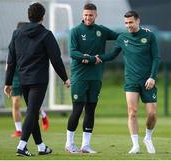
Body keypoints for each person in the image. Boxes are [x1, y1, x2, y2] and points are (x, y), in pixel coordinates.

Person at [4, 2, 70, 156]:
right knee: (32, 111)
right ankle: (22, 146)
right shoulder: (46, 34)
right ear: (43, 17)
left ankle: (41, 146)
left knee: (32, 111)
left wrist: (8, 82)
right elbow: (56, 59)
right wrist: (65, 78)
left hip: (22, 79)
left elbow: (11, 60)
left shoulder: (16, 33)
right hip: (39, 80)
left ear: (28, 16)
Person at [92, 11, 160, 154]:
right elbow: (112, 55)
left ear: (138, 21)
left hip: (148, 81)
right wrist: (98, 58)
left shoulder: (149, 36)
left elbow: (156, 58)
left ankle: (148, 137)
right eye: (126, 23)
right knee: (132, 112)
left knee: (152, 114)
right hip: (131, 81)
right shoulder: (122, 38)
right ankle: (135, 145)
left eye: (131, 22)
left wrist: (152, 77)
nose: (128, 25)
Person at [65, 3, 119, 153]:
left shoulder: (101, 30)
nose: (88, 18)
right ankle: (69, 143)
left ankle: (85, 145)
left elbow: (120, 37)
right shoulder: (75, 31)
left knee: (90, 110)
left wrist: (108, 56)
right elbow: (73, 53)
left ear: (96, 15)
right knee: (77, 110)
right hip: (79, 77)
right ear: (83, 15)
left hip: (96, 77)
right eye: (86, 15)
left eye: (91, 15)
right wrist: (89, 59)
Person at [6, 22, 49, 138]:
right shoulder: (15, 42)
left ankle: (43, 115)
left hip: (27, 76)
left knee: (32, 105)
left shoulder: (29, 44)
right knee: (15, 103)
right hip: (16, 78)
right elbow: (9, 63)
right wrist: (7, 82)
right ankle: (19, 130)